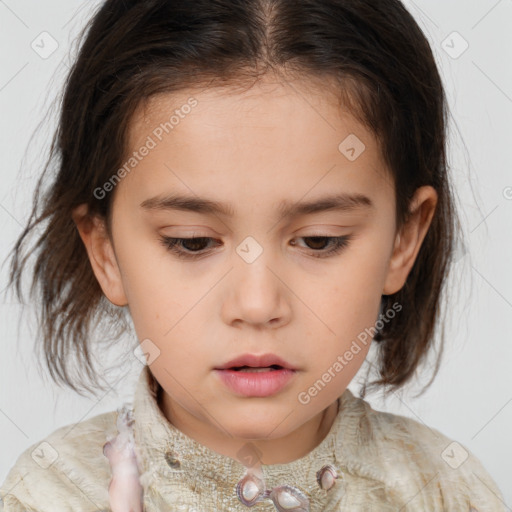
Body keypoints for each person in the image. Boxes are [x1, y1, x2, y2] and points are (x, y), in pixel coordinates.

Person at [0, 0, 507, 510]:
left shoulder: (446, 491)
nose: (258, 303)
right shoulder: (47, 496)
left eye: (320, 240)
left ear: (404, 239)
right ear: (105, 250)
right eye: (192, 241)